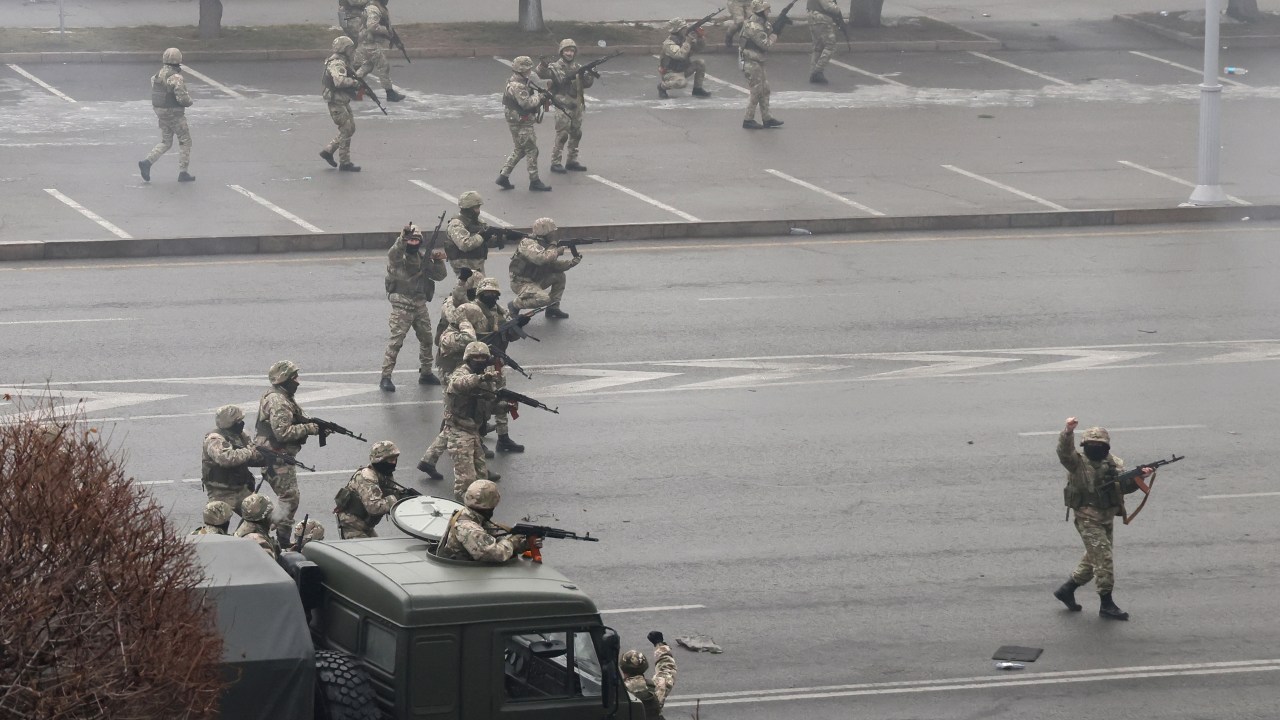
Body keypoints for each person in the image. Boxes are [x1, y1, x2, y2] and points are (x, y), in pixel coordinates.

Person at [1053, 418, 1153, 621]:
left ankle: (1067, 589)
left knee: (1093, 559)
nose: (1095, 448)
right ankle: (1106, 604)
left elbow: (1123, 488)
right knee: (1104, 559)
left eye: (1100, 445)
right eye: (1091, 445)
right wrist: (1068, 431)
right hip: (1087, 516)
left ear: (1106, 446)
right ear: (1084, 446)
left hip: (1106, 516)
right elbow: (1063, 452)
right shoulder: (1077, 463)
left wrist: (1140, 478)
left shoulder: (1113, 463)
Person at [255, 360, 324, 548]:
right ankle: (281, 539)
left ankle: (270, 530)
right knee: (289, 498)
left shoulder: (282, 396)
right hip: (276, 456)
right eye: (294, 378)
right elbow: (282, 433)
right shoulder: (278, 401)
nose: (298, 382)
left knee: (288, 497)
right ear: (284, 379)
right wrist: (310, 428)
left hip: (277, 454)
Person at [381, 222, 449, 392]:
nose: (413, 243)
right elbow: (393, 254)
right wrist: (402, 238)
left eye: (416, 240)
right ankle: (386, 376)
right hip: (402, 305)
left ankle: (426, 373)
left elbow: (440, 276)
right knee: (396, 342)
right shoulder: (398, 258)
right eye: (410, 240)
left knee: (426, 339)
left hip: (419, 304)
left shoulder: (421, 258)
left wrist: (438, 261)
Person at [460, 279, 524, 453]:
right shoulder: (472, 311)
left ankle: (503, 437)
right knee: (481, 403)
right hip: (480, 363)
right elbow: (466, 336)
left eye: (494, 294)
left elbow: (510, 336)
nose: (491, 296)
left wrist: (517, 326)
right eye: (487, 293)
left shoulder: (499, 311)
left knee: (502, 398)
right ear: (480, 294)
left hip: (496, 362)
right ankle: (477, 442)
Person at [443, 342, 504, 500]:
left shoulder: (485, 375)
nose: (480, 360)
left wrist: (503, 404)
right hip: (459, 431)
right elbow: (458, 384)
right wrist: (482, 378)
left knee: (481, 478)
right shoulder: (462, 372)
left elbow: (488, 403)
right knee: (466, 483)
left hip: (474, 431)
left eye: (483, 357)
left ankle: (478, 513)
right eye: (476, 357)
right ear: (468, 358)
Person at [436, 479, 535, 562]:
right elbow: (496, 555)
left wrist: (524, 544)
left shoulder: (468, 514)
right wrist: (513, 541)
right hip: (462, 574)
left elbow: (491, 538)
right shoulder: (469, 528)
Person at [535, 39, 596, 174]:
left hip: (576, 104)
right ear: (561, 52)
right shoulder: (555, 67)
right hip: (562, 104)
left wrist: (590, 74)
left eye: (572, 51)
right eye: (567, 51)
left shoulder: (578, 67)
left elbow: (586, 84)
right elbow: (542, 73)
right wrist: (543, 65)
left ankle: (572, 160)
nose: (569, 53)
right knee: (562, 134)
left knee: (576, 133)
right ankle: (555, 162)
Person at [138, 47, 195, 183]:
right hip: (174, 113)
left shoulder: (156, 76)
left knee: (166, 142)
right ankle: (183, 172)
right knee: (185, 140)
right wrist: (190, 101)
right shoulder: (176, 77)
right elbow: (183, 99)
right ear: (178, 60)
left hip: (161, 113)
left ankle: (147, 162)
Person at [497, 56, 553, 192]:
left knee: (520, 149)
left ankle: (503, 176)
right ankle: (534, 181)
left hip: (516, 120)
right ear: (521, 70)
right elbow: (526, 103)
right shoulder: (519, 86)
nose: (529, 72)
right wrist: (540, 97)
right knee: (532, 150)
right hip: (522, 122)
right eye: (528, 70)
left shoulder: (516, 82)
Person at [508, 217, 580, 319]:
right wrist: (556, 250)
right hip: (521, 283)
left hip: (536, 279)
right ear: (544, 232)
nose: (554, 235)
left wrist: (571, 263)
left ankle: (553, 308)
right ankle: (515, 305)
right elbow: (541, 259)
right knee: (544, 299)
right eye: (552, 232)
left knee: (559, 276)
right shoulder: (528, 243)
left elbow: (552, 266)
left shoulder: (545, 244)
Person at [201, 405, 264, 517]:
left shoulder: (241, 435)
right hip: (220, 492)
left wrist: (267, 458)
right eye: (238, 421)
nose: (241, 423)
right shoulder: (214, 439)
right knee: (216, 524)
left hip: (241, 489)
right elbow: (225, 458)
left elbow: (253, 454)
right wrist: (248, 452)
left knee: (260, 518)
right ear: (229, 422)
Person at [334, 440, 402, 539]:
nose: (394, 463)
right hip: (352, 526)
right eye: (391, 460)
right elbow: (374, 507)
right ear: (380, 460)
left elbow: (393, 492)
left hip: (366, 525)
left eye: (395, 460)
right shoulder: (367, 476)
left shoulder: (384, 474)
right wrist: (395, 499)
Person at [320, 36, 364, 172]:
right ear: (344, 49)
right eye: (350, 48)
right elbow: (339, 82)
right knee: (346, 130)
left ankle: (328, 150)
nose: (352, 51)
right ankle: (345, 163)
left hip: (342, 100)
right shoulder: (337, 63)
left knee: (350, 129)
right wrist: (355, 83)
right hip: (336, 102)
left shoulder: (343, 61)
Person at [738, 0, 783, 130]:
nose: (769, 11)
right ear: (760, 11)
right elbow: (766, 45)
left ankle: (767, 117)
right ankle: (748, 119)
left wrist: (777, 25)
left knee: (765, 89)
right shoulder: (753, 26)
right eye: (766, 9)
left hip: (758, 61)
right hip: (751, 61)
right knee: (756, 90)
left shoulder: (760, 22)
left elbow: (768, 30)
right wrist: (775, 35)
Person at [355, 0, 405, 102]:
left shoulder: (377, 7)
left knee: (367, 66)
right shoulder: (374, 9)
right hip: (370, 44)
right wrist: (387, 32)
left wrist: (392, 38)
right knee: (383, 66)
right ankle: (390, 94)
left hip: (366, 42)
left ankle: (353, 85)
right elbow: (372, 27)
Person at [621, 631, 678, 719]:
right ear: (644, 667)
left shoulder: (617, 692)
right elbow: (667, 668)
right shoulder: (657, 686)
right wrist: (660, 645)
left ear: (622, 669)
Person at [444, 192, 502, 276]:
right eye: (476, 208)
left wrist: (501, 238)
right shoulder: (456, 224)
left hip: (477, 266)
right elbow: (464, 245)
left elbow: (486, 242)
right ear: (468, 209)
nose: (478, 211)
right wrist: (482, 235)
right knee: (469, 289)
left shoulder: (479, 222)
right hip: (464, 268)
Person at [658, 18, 712, 99]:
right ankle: (662, 87)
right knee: (681, 83)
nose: (685, 30)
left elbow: (699, 49)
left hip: (684, 69)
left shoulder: (684, 39)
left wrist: (700, 38)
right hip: (671, 72)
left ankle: (697, 89)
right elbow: (680, 55)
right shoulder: (669, 43)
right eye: (683, 29)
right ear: (678, 30)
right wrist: (688, 41)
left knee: (700, 63)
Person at [807, 0, 844, 83]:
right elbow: (828, 6)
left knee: (818, 47)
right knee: (830, 46)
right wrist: (837, 8)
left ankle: (813, 73)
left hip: (813, 17)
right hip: (821, 18)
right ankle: (817, 71)